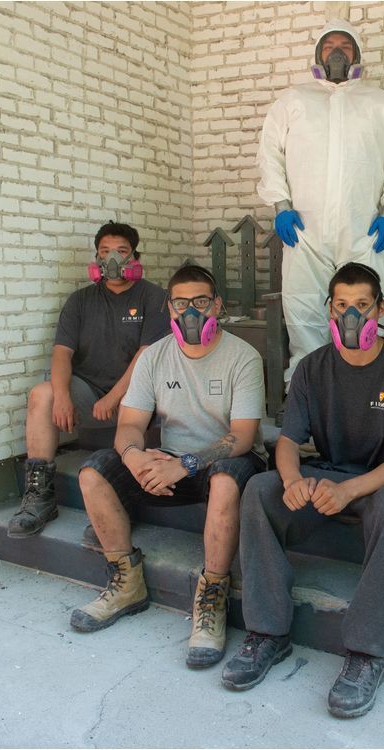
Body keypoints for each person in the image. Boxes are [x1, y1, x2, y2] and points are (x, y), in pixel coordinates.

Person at [223, 262, 384, 718]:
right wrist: (295, 480)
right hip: (326, 473)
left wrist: (350, 491)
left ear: (382, 307)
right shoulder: (312, 368)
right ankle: (268, 633)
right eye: (341, 306)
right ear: (329, 311)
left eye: (362, 305)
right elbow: (288, 443)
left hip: (380, 479)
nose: (350, 316)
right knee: (261, 489)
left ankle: (366, 652)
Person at [69, 265, 266, 670]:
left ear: (217, 305)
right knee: (93, 472)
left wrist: (187, 465)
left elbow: (243, 436)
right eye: (181, 303)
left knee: (228, 479)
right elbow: (129, 425)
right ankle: (126, 582)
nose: (190, 312)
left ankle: (212, 597)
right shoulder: (154, 357)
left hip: (224, 463)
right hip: (169, 460)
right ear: (169, 308)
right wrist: (135, 457)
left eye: (200, 302)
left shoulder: (243, 356)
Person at [257, 19, 384, 382]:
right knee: (303, 310)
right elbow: (270, 156)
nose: (337, 52)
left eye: (345, 45)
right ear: (317, 55)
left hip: (363, 230)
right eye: (329, 46)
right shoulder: (294, 100)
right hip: (304, 230)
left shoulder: (380, 103)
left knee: (368, 307)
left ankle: (371, 386)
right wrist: (280, 205)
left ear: (357, 55)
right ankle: (309, 389)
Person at [8, 222, 169, 538]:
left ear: (136, 258)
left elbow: (146, 355)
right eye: (104, 253)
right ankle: (40, 496)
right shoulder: (80, 301)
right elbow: (61, 354)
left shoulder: (155, 297)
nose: (113, 260)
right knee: (43, 395)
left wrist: (114, 397)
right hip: (90, 391)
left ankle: (121, 500)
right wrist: (62, 395)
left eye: (121, 252)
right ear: (96, 260)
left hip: (142, 394)